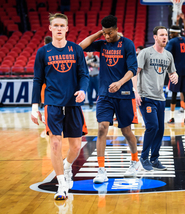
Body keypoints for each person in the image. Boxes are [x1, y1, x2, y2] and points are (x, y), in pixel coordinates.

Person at [31, 13, 89, 200]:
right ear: (50, 28)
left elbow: (84, 75)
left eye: (61, 25)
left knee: (76, 147)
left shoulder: (76, 50)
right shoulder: (43, 52)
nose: (58, 28)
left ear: (67, 28)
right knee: (55, 143)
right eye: (55, 25)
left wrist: (83, 90)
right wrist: (34, 106)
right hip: (52, 103)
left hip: (73, 103)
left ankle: (67, 166)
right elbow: (37, 80)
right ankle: (61, 184)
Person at [79, 15, 140, 183]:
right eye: (104, 33)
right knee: (101, 128)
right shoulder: (103, 43)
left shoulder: (127, 44)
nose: (107, 37)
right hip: (105, 95)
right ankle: (101, 170)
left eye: (109, 33)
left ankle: (135, 161)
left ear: (117, 29)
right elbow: (80, 46)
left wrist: (119, 83)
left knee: (126, 131)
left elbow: (133, 69)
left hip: (124, 94)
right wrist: (99, 33)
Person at [133, 26, 178, 171]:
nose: (165, 37)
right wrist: (136, 92)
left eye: (166, 35)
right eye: (162, 35)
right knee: (152, 126)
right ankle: (144, 157)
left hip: (160, 98)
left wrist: (174, 76)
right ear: (155, 37)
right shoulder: (145, 53)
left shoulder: (168, 55)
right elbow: (134, 73)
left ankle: (155, 159)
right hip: (146, 97)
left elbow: (172, 72)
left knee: (160, 130)